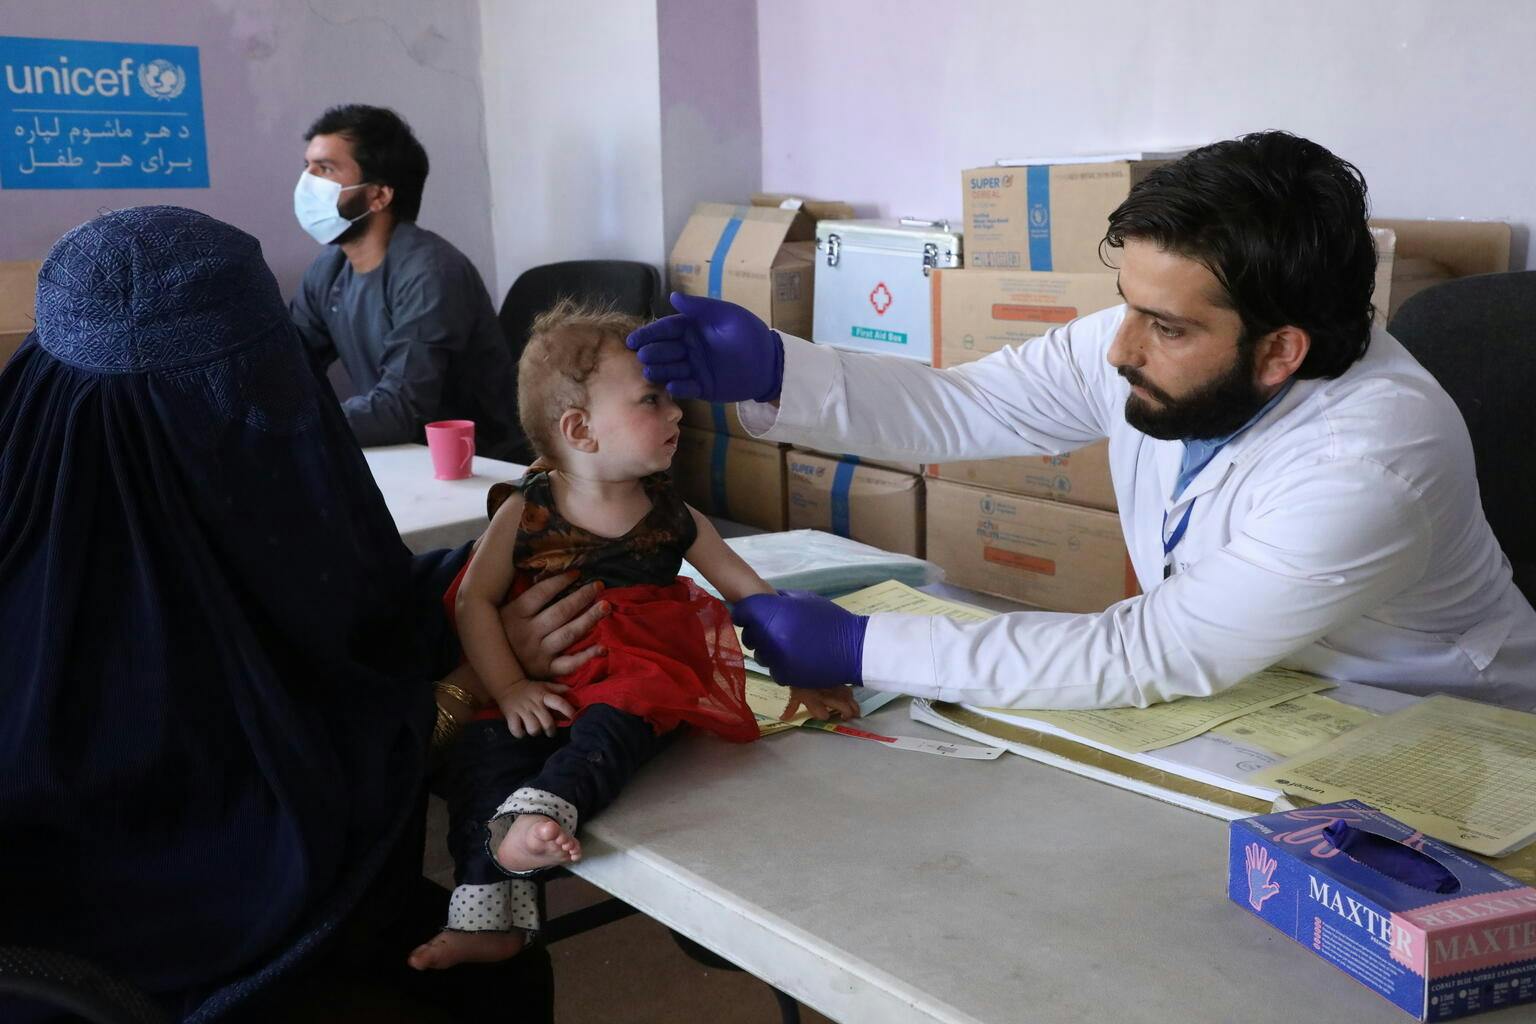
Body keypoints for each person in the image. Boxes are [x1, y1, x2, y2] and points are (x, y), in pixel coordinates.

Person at [621, 131, 1536, 713]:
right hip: (1266, 699)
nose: (1118, 347)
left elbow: (1151, 649)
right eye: (1127, 303)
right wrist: (784, 367)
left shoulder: (1371, 461)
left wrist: (864, 645)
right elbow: (970, 403)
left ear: (1279, 352)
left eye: (1166, 326)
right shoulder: (1157, 344)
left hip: (1436, 733)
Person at [0, 206, 551, 1023]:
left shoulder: (57, 495)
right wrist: (462, 690)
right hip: (180, 973)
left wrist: (478, 587)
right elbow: (266, 813)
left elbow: (328, 605)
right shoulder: (143, 615)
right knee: (492, 982)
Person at [407, 300, 858, 971]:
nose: (676, 413)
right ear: (579, 430)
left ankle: (547, 811)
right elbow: (475, 599)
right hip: (540, 686)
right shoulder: (526, 509)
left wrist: (809, 670)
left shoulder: (672, 514)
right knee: (483, 756)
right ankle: (484, 906)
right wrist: (509, 686)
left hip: (636, 680)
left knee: (618, 728)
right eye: (652, 399)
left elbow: (752, 596)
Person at [289, 103, 523, 460]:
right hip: (401, 456)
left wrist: (294, 425)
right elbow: (285, 365)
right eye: (307, 167)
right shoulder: (329, 268)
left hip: (478, 469)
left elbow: (403, 409)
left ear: (379, 195)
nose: (307, 183)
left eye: (325, 169)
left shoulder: (431, 272)